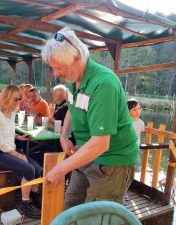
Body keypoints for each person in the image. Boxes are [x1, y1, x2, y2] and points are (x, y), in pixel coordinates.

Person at [41, 27, 138, 209]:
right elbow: (72, 106)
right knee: (71, 206)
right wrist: (64, 136)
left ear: (76, 58)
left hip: (112, 160)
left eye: (58, 67)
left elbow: (101, 143)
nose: (55, 74)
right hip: (85, 154)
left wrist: (62, 168)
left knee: (95, 217)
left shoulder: (103, 84)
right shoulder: (73, 78)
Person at [0, 84, 42, 219]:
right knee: (29, 169)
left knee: (37, 168)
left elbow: (7, 133)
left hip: (8, 150)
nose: (18, 103)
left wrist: (18, 137)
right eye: (15, 99)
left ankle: (33, 197)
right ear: (6, 97)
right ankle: (25, 203)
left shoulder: (11, 113)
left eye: (19, 99)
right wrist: (18, 154)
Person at [127, 98, 145, 172]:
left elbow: (139, 135)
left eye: (139, 108)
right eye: (134, 110)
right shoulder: (126, 122)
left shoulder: (141, 122)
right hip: (127, 146)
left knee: (136, 165)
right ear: (128, 111)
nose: (137, 112)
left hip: (136, 146)